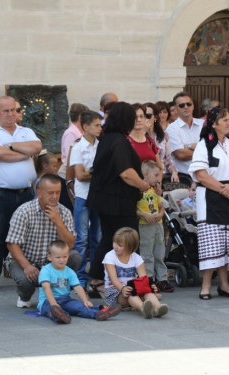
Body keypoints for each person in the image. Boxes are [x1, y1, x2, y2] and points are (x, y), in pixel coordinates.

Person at [188, 107, 229, 300]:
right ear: (213, 124)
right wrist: (226, 192)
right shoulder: (203, 145)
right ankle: (206, 286)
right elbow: (201, 175)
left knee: (227, 244)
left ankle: (224, 285)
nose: (228, 122)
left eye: (228, 119)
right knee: (212, 243)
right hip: (211, 197)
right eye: (224, 120)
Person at [86, 102, 150, 298]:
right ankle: (129, 284)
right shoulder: (119, 141)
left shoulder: (108, 138)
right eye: (132, 116)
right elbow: (126, 173)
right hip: (117, 202)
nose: (135, 120)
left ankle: (97, 281)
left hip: (107, 200)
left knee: (108, 240)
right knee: (129, 240)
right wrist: (143, 185)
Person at [0, 96, 42, 291]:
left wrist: (10, 146)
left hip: (25, 194)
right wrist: (24, 152)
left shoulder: (26, 131)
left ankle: (23, 272)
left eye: (13, 110)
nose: (10, 114)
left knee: (26, 235)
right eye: (5, 111)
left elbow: (37, 148)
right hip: (0, 195)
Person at [5, 174, 81, 308]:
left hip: (51, 261)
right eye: (50, 193)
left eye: (58, 192)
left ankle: (59, 294)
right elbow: (12, 243)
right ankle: (24, 295)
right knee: (26, 281)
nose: (55, 196)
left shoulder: (64, 212)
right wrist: (27, 266)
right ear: (39, 193)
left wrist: (58, 222)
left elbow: (70, 245)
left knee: (74, 256)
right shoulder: (24, 211)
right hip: (25, 260)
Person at [37, 240, 121, 324]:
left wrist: (85, 301)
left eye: (64, 257)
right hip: (47, 301)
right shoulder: (46, 270)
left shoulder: (69, 271)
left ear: (68, 256)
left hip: (65, 300)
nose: (61, 260)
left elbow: (78, 287)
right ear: (49, 257)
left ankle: (99, 312)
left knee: (80, 307)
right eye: (58, 257)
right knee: (50, 310)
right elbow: (46, 287)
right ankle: (60, 316)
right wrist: (53, 304)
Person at [103, 227, 169, 318]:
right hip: (115, 292)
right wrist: (122, 289)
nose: (115, 246)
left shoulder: (137, 258)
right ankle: (143, 308)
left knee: (147, 291)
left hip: (132, 288)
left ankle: (158, 308)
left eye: (120, 245)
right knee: (131, 292)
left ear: (130, 247)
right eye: (114, 242)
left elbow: (143, 278)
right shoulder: (110, 256)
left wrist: (150, 286)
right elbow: (113, 278)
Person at [69, 111, 103, 288]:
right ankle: (80, 278)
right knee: (82, 239)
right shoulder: (77, 147)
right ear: (85, 127)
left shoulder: (101, 145)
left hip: (98, 196)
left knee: (97, 238)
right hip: (83, 196)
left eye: (100, 125)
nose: (100, 128)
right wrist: (98, 171)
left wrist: (92, 171)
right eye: (96, 125)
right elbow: (80, 176)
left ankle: (96, 275)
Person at [137, 160, 174, 293]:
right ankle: (149, 279)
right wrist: (144, 215)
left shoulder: (155, 190)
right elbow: (133, 209)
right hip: (145, 225)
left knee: (159, 252)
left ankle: (162, 278)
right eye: (156, 175)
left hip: (157, 225)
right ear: (146, 174)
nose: (159, 179)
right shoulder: (140, 190)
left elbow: (161, 206)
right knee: (147, 253)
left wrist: (161, 214)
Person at [166, 92, 204, 174]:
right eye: (182, 105)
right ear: (176, 109)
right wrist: (205, 152)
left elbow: (213, 148)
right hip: (184, 177)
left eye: (189, 104)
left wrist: (187, 147)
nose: (186, 107)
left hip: (206, 175)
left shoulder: (203, 124)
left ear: (193, 106)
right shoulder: (171, 129)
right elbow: (180, 155)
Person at [144, 102, 179, 182]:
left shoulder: (163, 136)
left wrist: (173, 172)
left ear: (155, 117)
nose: (145, 119)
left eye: (148, 116)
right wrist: (143, 132)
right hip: (145, 177)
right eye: (143, 116)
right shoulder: (138, 136)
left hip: (162, 176)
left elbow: (168, 160)